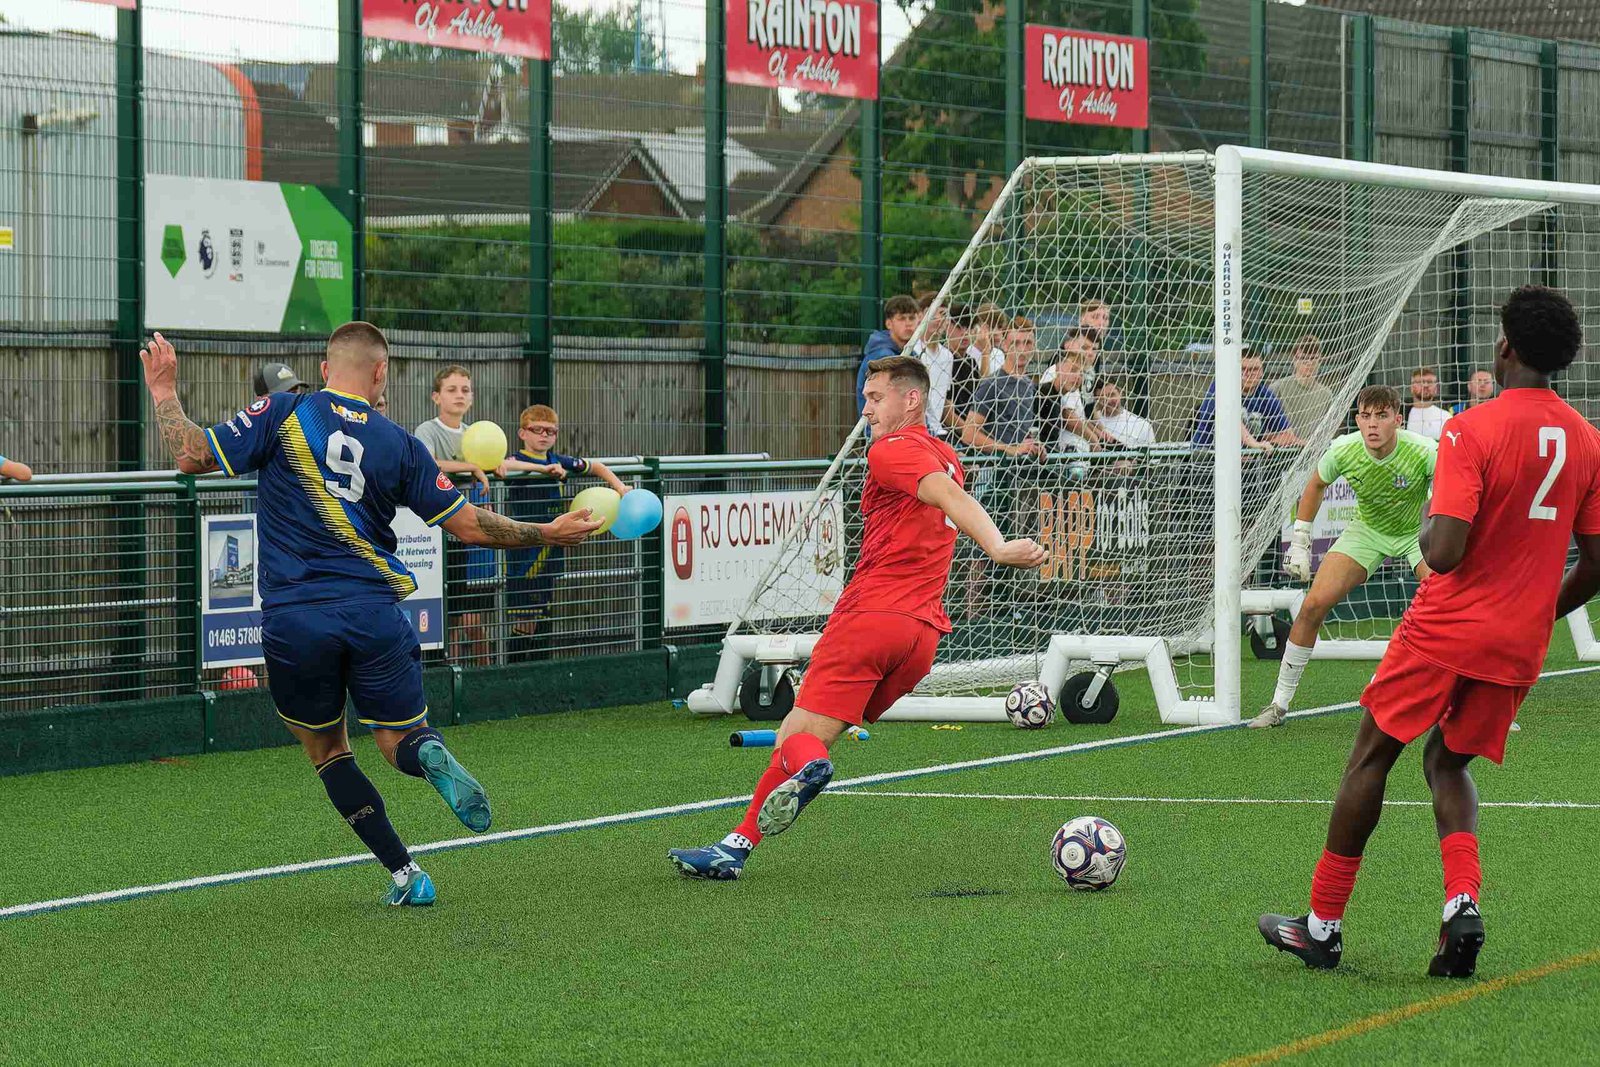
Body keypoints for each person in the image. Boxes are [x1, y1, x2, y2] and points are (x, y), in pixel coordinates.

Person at [140, 323, 600, 906]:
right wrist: (547, 531)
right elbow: (468, 526)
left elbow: (190, 454)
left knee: (328, 751)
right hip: (374, 613)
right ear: (381, 372)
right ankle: (422, 750)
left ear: (325, 369)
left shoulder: (283, 412)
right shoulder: (400, 443)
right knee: (397, 737)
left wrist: (164, 389)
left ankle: (406, 873)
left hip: (296, 618)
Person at [1258, 285, 1600, 978]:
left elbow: (1442, 552)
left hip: (1445, 626)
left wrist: (1416, 530)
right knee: (1448, 762)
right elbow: (1596, 562)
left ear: (1505, 348)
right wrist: (1539, 614)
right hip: (1518, 643)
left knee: (1370, 757)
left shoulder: (1470, 429)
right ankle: (1460, 905)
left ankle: (1322, 926)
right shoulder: (1588, 440)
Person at [667, 355, 1046, 880]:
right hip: (922, 638)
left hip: (871, 619)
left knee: (796, 740)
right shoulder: (947, 453)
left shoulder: (891, 449)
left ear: (911, 399)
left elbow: (944, 494)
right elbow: (949, 491)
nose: (865, 409)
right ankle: (734, 848)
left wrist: (998, 547)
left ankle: (803, 776)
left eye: (875, 398)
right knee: (805, 731)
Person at [1249, 385, 1436, 729]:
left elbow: (1452, 491)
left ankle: (1471, 705)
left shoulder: (1424, 450)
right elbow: (1315, 485)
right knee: (1312, 606)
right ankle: (1278, 704)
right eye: (1366, 416)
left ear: (1398, 419)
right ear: (1357, 420)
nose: (1373, 424)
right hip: (1367, 532)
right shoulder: (1343, 449)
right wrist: (1300, 541)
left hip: (1416, 533)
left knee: (1448, 607)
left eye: (1382, 416)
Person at [502, 403, 630, 644]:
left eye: (550, 431)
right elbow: (504, 466)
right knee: (525, 620)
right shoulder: (519, 459)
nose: (544, 435)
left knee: (544, 614)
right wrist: (542, 469)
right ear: (522, 433)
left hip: (553, 547)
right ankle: (517, 663)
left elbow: (596, 466)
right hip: (525, 550)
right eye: (537, 429)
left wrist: (620, 487)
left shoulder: (558, 460)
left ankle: (540, 660)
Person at [415, 365, 497, 665]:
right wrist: (471, 467)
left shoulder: (476, 435)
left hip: (469, 539)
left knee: (471, 616)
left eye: (465, 390)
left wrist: (495, 466)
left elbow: (492, 463)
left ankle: (480, 676)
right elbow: (427, 463)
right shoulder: (427, 430)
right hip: (437, 539)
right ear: (436, 396)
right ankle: (444, 671)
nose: (459, 395)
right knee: (444, 616)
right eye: (451, 389)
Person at [963, 317, 1046, 458]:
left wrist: (1034, 447)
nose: (1022, 349)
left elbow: (1018, 432)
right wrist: (1009, 449)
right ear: (1005, 345)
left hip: (1019, 466)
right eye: (1015, 343)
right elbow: (968, 434)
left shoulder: (1028, 384)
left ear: (1034, 346)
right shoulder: (991, 384)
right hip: (993, 466)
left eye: (1027, 343)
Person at [1192, 348, 1301, 449]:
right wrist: (1254, 444)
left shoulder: (1265, 395)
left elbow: (1287, 434)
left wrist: (1265, 443)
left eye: (1254, 369)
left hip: (1249, 461)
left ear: (1262, 372)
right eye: (1243, 369)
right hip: (1207, 458)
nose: (1248, 374)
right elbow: (1231, 420)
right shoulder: (1221, 386)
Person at [856, 295, 920, 418]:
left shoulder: (912, 355)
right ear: (889, 323)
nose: (908, 324)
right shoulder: (882, 356)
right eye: (901, 319)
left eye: (911, 318)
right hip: (882, 425)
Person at [1038, 347, 1106, 453]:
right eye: (1073, 370)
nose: (1078, 377)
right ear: (1057, 369)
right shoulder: (1045, 394)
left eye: (1082, 373)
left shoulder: (1059, 396)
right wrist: (1093, 440)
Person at [1269, 335, 1336, 439]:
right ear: (1294, 359)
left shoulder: (1326, 395)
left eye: (1313, 358)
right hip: (1282, 447)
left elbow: (1328, 430)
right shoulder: (1277, 388)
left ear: (1320, 359)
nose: (1309, 363)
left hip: (1314, 447)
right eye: (1304, 358)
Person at [908, 294, 955, 438]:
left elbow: (943, 400)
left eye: (944, 314)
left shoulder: (947, 356)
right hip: (915, 430)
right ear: (921, 316)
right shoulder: (912, 351)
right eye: (935, 313)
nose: (940, 319)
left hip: (936, 431)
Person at [1092, 378, 1155, 448]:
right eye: (1102, 398)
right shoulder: (1091, 425)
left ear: (1120, 393)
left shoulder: (1142, 425)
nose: (1108, 401)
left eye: (1112, 395)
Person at [1407, 366, 1449, 440]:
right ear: (1411, 387)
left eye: (1429, 382)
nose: (1425, 385)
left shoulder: (1445, 417)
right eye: (1420, 382)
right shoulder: (1401, 415)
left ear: (1436, 388)